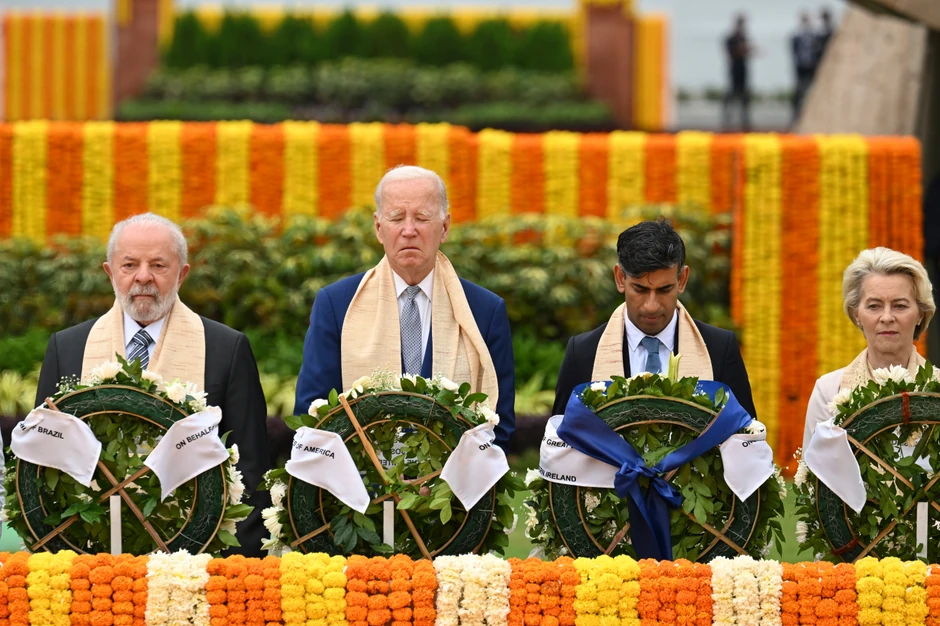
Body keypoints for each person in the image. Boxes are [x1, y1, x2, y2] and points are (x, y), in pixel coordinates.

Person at [35, 213, 271, 556]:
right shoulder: (67, 348)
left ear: (182, 274)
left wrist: (234, 569)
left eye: (158, 265)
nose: (143, 277)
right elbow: (43, 456)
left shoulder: (226, 348)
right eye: (129, 265)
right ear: (109, 272)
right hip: (91, 551)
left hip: (200, 552)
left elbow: (250, 466)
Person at [293, 165, 515, 450]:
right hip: (358, 489)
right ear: (378, 228)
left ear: (445, 227)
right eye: (397, 218)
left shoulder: (484, 311)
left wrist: (447, 486)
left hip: (454, 491)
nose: (409, 230)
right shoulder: (336, 304)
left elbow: (501, 425)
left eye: (422, 218)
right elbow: (312, 416)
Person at [552, 219, 757, 417]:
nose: (651, 306)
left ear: (682, 280)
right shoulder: (582, 353)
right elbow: (559, 443)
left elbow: (747, 438)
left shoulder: (719, 350)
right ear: (620, 278)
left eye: (664, 289)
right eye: (640, 289)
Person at [802, 247, 936, 450]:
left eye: (900, 306)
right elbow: (814, 478)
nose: (887, 317)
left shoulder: (938, 388)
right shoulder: (829, 391)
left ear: (920, 314)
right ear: (856, 314)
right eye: (874, 306)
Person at [722, 13, 754, 132]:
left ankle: (745, 122)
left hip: (743, 69)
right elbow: (731, 52)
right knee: (731, 94)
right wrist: (743, 50)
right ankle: (727, 120)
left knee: (744, 96)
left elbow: (746, 51)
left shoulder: (743, 38)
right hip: (734, 69)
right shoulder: (731, 38)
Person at [792, 12, 818, 123]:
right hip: (801, 68)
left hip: (811, 67)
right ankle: (797, 115)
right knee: (799, 90)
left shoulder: (813, 36)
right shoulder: (797, 36)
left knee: (811, 90)